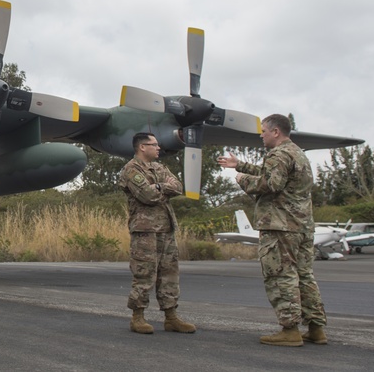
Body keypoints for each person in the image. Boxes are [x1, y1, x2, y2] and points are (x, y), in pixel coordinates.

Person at [218, 113, 327, 347]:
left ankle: (290, 330)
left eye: (264, 131)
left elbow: (271, 183)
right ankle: (316, 328)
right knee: (304, 275)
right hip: (302, 226)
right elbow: (276, 174)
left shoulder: (277, 154)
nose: (261, 136)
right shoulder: (297, 153)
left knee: (280, 274)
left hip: (279, 225)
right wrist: (241, 164)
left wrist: (243, 179)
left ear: (275, 131)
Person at [118, 132, 196, 335]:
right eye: (154, 144)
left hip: (166, 229)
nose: (158, 148)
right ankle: (138, 317)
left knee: (169, 273)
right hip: (145, 231)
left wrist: (159, 186)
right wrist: (163, 187)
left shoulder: (160, 167)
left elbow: (178, 186)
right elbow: (147, 195)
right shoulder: (131, 170)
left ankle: (171, 317)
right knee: (144, 273)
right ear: (142, 147)